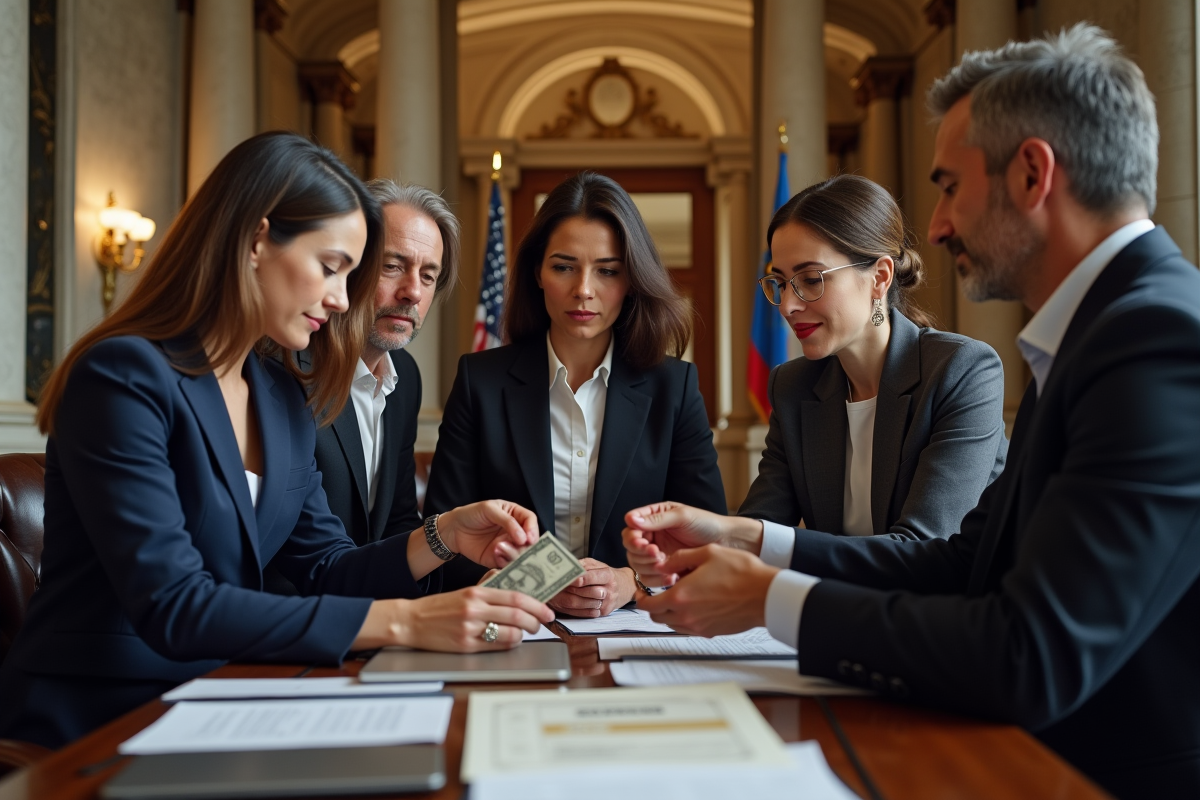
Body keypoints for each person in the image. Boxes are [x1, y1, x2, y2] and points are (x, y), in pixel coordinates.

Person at [623, 26, 1200, 799]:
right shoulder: (1100, 333)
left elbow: (1029, 654)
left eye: (949, 186)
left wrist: (766, 596)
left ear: (1032, 174)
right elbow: (963, 564)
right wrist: (742, 536)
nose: (935, 224)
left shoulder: (1155, 339)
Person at [0, 133, 552, 749]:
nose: (342, 299)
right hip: (96, 717)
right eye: (332, 267)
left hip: (227, 695)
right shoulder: (124, 375)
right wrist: (406, 620)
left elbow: (324, 567)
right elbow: (175, 604)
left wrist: (444, 534)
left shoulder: (282, 395)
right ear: (258, 240)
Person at [425, 171, 726, 617]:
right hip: (517, 625)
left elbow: (709, 543)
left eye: (607, 271)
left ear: (631, 281)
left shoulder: (674, 388)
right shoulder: (480, 381)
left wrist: (631, 582)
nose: (583, 289)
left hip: (635, 629)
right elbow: (442, 540)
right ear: (538, 273)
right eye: (564, 266)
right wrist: (536, 582)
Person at [743, 174, 1006, 541]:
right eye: (781, 282)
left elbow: (921, 548)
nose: (788, 305)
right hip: (834, 597)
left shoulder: (961, 371)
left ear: (880, 277)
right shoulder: (793, 386)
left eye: (811, 279)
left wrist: (775, 549)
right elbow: (760, 527)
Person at [308, 180, 459, 545]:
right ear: (347, 266)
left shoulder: (405, 376)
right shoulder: (292, 367)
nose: (413, 292)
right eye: (392, 266)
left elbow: (399, 521)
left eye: (428, 276)